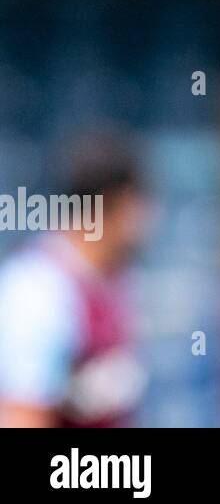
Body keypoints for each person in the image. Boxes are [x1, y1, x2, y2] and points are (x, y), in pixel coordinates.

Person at [0, 131, 151, 427]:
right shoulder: (37, 288)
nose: (149, 221)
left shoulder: (110, 282)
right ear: (115, 205)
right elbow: (22, 416)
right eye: (141, 206)